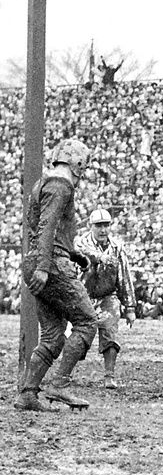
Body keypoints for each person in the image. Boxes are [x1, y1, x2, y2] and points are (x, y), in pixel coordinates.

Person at [16, 139, 97, 412]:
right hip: (50, 264)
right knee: (87, 321)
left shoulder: (42, 184)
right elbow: (47, 225)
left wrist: (73, 254)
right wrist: (44, 265)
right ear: (77, 163)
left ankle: (28, 393)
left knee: (52, 335)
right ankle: (59, 385)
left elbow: (37, 227)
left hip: (40, 260)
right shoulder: (62, 186)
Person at [71, 208, 137, 389]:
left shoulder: (117, 248)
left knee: (110, 332)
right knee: (79, 337)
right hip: (82, 297)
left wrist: (130, 307)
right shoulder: (80, 244)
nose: (103, 230)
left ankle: (109, 375)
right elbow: (85, 256)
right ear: (89, 226)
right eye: (99, 226)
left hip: (108, 295)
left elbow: (124, 277)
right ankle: (65, 374)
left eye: (106, 225)